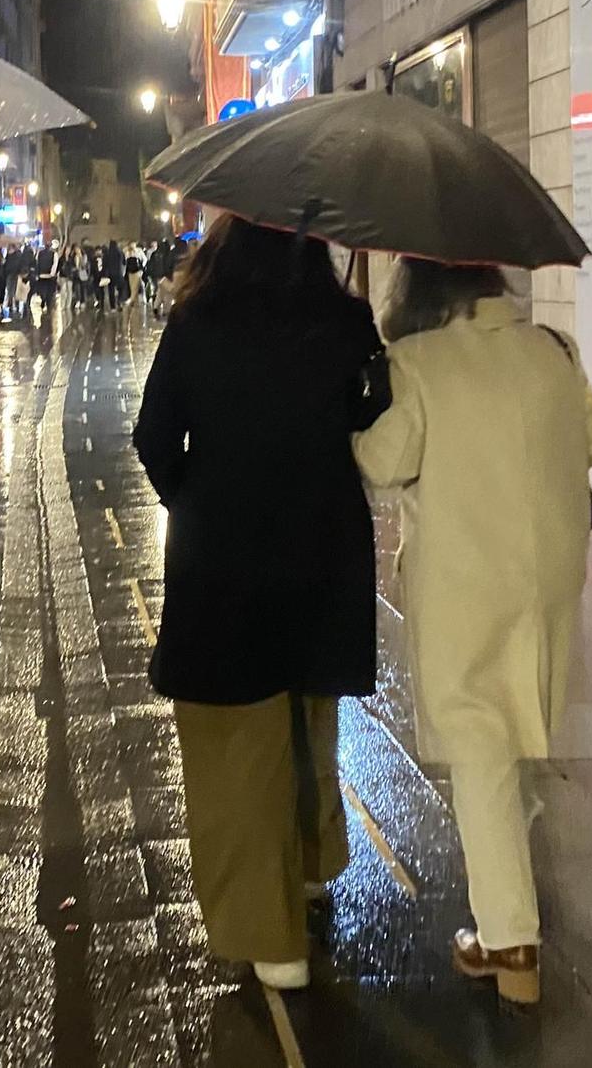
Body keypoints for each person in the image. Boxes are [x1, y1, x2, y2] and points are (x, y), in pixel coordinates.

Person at [131, 215, 387, 992]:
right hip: (320, 552)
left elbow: (153, 436)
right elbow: (366, 412)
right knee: (308, 721)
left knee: (238, 748)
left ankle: (272, 936)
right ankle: (308, 870)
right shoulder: (342, 316)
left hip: (224, 564)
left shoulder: (197, 319)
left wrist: (194, 500)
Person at [353, 258, 592, 1007]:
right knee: (522, 719)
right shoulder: (552, 349)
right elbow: (591, 442)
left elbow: (382, 459)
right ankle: (511, 890)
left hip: (465, 576)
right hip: (548, 574)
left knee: (478, 741)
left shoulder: (419, 362)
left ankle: (509, 939)